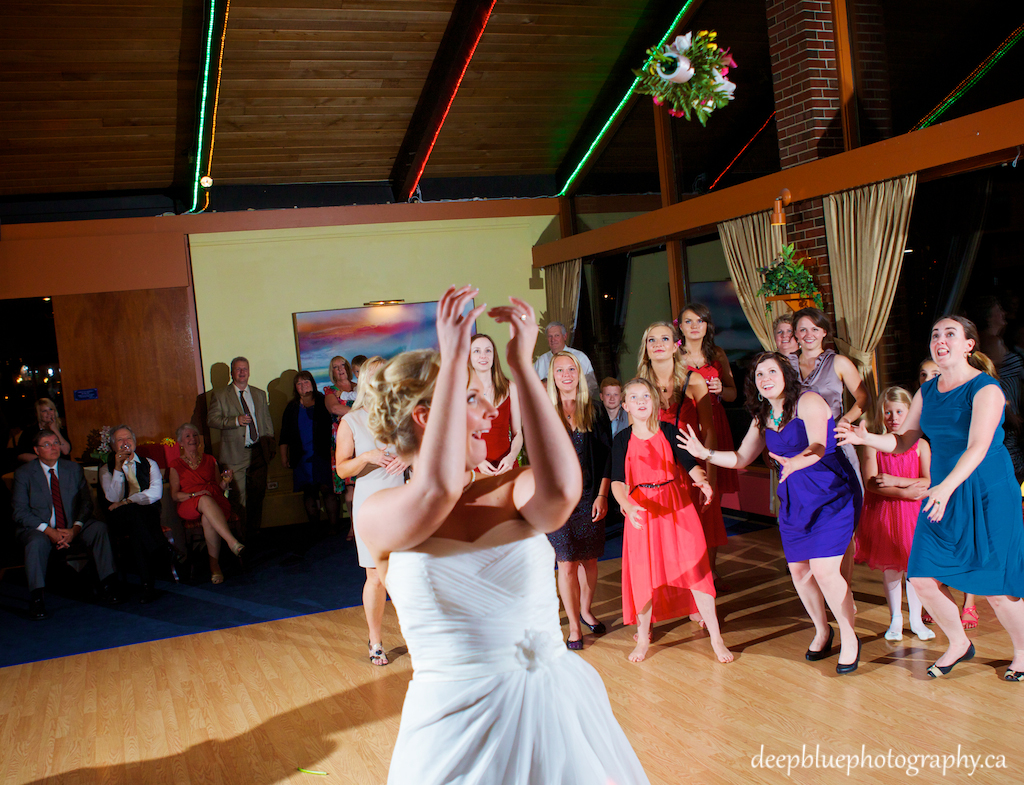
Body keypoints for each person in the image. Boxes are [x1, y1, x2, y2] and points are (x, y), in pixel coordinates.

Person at [359, 286, 649, 785]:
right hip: (452, 722)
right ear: (429, 416)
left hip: (551, 709)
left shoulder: (511, 488)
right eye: (473, 398)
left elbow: (562, 489)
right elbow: (437, 491)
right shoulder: (379, 513)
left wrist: (521, 366)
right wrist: (452, 364)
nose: (491, 410)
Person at [838, 316, 1024, 681]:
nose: (940, 339)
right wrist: (867, 439)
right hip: (944, 492)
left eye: (950, 334)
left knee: (998, 590)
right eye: (935, 334)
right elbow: (903, 440)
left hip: (987, 493)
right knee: (922, 578)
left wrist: (944, 486)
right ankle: (958, 643)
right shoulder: (928, 391)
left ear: (969, 345)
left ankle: (1021, 651)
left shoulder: (986, 389)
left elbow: (978, 447)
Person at [679, 353, 862, 674]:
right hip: (794, 500)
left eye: (771, 371)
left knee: (825, 571)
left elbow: (819, 446)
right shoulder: (762, 416)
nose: (765, 377)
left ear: (786, 374)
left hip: (830, 493)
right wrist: (703, 453)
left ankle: (849, 636)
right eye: (759, 373)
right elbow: (740, 457)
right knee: (800, 573)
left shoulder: (809, 402)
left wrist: (794, 462)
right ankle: (822, 629)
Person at [611, 377, 732, 664]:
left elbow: (690, 465)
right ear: (625, 404)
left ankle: (716, 636)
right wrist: (627, 504)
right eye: (634, 397)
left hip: (677, 506)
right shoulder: (621, 440)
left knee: (696, 570)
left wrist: (702, 483)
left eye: (646, 396)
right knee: (643, 576)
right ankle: (643, 638)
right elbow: (617, 482)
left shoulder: (669, 430)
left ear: (654, 401)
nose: (641, 402)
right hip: (642, 510)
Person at [637, 321, 728, 592]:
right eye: (652, 340)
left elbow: (709, 432)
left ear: (676, 345)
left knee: (695, 533)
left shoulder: (693, 379)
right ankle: (672, 592)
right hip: (654, 470)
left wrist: (708, 477)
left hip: (690, 466)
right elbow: (635, 436)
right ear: (646, 348)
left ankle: (698, 592)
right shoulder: (640, 384)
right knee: (663, 534)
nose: (658, 345)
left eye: (665, 338)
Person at [335, 356, 407, 666]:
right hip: (368, 505)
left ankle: (417, 637)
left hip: (400, 502)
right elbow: (341, 469)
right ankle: (375, 639)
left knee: (405, 574)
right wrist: (366, 456)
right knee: (376, 577)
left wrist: (409, 458)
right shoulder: (351, 421)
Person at [12, 429, 122, 619]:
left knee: (98, 529)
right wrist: (49, 531)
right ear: (36, 450)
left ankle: (108, 584)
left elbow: (86, 503)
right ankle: (37, 599)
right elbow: (19, 512)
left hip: (72, 525)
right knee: (35, 542)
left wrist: (75, 528)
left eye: (56, 443)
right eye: (47, 444)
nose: (54, 447)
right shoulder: (24, 474)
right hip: (40, 528)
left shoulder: (72, 469)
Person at [853, 388, 935, 642]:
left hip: (914, 515)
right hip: (885, 512)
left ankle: (916, 619)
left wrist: (896, 481)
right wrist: (907, 491)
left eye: (899, 411)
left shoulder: (921, 445)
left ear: (911, 412)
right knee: (890, 567)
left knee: (914, 567)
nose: (893, 417)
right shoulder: (873, 444)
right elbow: (871, 483)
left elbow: (927, 481)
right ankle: (895, 619)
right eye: (887, 412)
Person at [547, 350, 611, 649]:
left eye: (571, 369)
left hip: (590, 497)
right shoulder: (544, 412)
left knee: (589, 561)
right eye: (560, 370)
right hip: (558, 502)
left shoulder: (594, 410)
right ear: (553, 377)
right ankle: (574, 627)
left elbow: (608, 457)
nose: (566, 375)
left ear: (579, 373)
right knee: (567, 563)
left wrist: (602, 495)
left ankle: (586, 610)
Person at [208, 356, 275, 541]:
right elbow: (212, 419)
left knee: (257, 494)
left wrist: (269, 443)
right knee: (238, 497)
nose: (242, 372)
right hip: (234, 454)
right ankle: (240, 537)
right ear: (232, 372)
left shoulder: (259, 393)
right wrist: (234, 421)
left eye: (245, 368)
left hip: (258, 452)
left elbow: (266, 420)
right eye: (238, 369)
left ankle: (254, 534)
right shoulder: (221, 394)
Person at [99, 424, 167, 603]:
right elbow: (112, 497)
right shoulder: (106, 470)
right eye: (120, 440)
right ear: (113, 446)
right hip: (120, 518)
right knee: (134, 516)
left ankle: (147, 586)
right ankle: (160, 550)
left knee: (137, 523)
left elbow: (155, 493)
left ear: (135, 442)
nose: (125, 443)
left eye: (128, 438)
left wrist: (127, 501)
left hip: (145, 514)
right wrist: (118, 470)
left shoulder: (149, 463)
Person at [169, 423, 245, 584]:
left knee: (207, 518)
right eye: (188, 436)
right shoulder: (175, 465)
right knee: (204, 499)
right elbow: (175, 495)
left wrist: (226, 481)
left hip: (216, 502)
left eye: (195, 435)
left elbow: (219, 487)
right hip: (189, 502)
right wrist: (195, 494)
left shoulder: (210, 459)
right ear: (181, 442)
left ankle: (214, 566)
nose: (192, 439)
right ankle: (231, 542)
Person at [677, 303, 740, 497]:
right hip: (687, 422)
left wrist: (721, 390)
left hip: (715, 420)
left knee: (714, 482)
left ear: (707, 326)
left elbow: (733, 394)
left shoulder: (718, 353)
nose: (694, 326)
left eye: (700, 321)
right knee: (687, 479)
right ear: (680, 326)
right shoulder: (674, 356)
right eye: (688, 321)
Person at [280, 370, 339, 555]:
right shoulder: (291, 408)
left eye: (306, 382)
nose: (303, 385)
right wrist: (284, 456)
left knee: (327, 489)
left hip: (323, 453)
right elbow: (284, 435)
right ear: (295, 388)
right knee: (309, 492)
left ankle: (334, 525)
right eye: (299, 383)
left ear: (312, 384)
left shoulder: (324, 401)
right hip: (301, 456)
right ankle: (315, 526)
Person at [469, 333, 523, 475]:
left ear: (494, 355)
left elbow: (518, 433)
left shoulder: (510, 387)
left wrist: (511, 458)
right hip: (476, 468)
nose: (483, 356)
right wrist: (477, 462)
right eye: (477, 351)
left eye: (488, 350)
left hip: (506, 467)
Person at [324, 355, 357, 538]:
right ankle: (353, 525)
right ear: (332, 372)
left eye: (342, 365)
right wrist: (362, 413)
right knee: (351, 486)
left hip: (364, 440)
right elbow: (335, 409)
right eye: (335, 367)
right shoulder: (330, 391)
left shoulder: (360, 387)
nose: (340, 369)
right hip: (344, 441)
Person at [533, 321, 599, 396]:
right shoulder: (540, 361)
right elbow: (532, 388)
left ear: (565, 336)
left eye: (557, 335)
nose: (553, 339)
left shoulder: (580, 357)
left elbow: (592, 386)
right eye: (550, 336)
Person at [16, 398, 71, 464]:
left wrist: (55, 429)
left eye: (51, 409)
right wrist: (42, 460)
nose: (49, 413)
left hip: (60, 466)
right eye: (44, 411)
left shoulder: (61, 429)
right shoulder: (29, 432)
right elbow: (20, 455)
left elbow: (66, 451)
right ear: (38, 414)